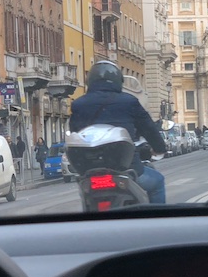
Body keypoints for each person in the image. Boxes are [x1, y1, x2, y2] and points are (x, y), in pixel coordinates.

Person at [69, 60, 168, 203]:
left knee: (85, 194)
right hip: (126, 168)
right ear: (118, 81)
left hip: (90, 171)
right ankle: (157, 221)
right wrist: (159, 148)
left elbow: (75, 133)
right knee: (157, 182)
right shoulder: (129, 101)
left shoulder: (78, 104)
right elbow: (149, 129)